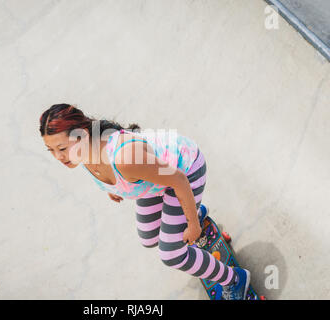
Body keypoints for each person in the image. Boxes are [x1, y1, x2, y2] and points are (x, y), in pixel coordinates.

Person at [39, 103, 251, 300]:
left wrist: (193, 225)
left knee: (172, 254)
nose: (58, 157)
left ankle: (235, 279)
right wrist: (111, 188)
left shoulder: (125, 158)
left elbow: (178, 180)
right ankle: (194, 213)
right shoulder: (81, 153)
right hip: (157, 182)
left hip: (186, 172)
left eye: (62, 149)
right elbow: (103, 173)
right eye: (51, 150)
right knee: (149, 238)